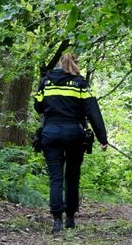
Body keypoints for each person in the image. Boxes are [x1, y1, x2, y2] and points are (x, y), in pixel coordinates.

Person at [33, 53, 108, 234]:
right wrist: (102, 138)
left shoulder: (46, 81)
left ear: (60, 63)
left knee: (55, 177)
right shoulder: (80, 83)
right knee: (72, 176)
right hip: (74, 133)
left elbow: (38, 107)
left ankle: (56, 220)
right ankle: (70, 218)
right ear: (76, 64)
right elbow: (93, 111)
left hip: (50, 133)